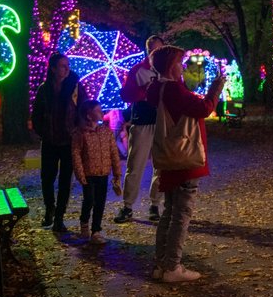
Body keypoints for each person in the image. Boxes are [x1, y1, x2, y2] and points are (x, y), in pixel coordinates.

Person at [148, 45, 226, 283]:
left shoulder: (156, 88)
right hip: (185, 158)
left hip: (170, 157)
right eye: (179, 63)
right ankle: (173, 266)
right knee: (181, 213)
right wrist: (215, 90)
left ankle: (162, 264)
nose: (182, 67)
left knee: (170, 211)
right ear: (169, 66)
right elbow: (203, 109)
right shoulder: (173, 90)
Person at [31, 53, 87, 233]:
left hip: (69, 140)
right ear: (53, 68)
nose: (66, 68)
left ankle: (59, 217)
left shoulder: (75, 87)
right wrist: (43, 131)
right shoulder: (44, 89)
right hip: (49, 140)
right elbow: (37, 114)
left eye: (67, 65)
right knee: (47, 178)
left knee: (65, 180)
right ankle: (50, 209)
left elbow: (83, 110)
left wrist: (78, 131)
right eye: (62, 65)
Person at [115, 35, 166, 224]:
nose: (156, 53)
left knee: (161, 166)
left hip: (162, 122)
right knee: (135, 165)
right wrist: (146, 90)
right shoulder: (138, 70)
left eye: (159, 50)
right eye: (153, 50)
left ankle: (155, 204)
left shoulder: (168, 70)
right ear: (147, 50)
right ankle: (128, 206)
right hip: (142, 121)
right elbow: (126, 95)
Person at [71, 100, 122, 243]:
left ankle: (96, 230)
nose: (102, 112)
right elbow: (76, 155)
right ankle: (84, 223)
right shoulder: (80, 134)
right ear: (89, 115)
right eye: (98, 110)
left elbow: (114, 153)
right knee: (89, 200)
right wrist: (80, 174)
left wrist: (117, 173)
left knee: (100, 202)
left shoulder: (106, 132)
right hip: (88, 174)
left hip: (103, 173)